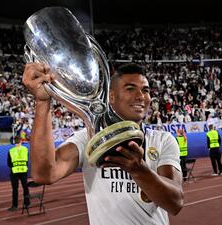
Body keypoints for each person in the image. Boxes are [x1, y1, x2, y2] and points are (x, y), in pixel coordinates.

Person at [22, 62, 184, 224]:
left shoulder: (163, 140)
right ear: (111, 97)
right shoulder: (90, 139)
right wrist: (42, 102)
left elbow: (175, 203)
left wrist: (139, 169)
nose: (141, 96)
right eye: (130, 88)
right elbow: (45, 174)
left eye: (145, 90)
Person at [7, 135, 30, 211]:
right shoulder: (25, 149)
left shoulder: (11, 151)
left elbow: (9, 163)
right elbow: (27, 160)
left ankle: (15, 205)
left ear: (14, 142)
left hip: (15, 172)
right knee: (25, 187)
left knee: (15, 189)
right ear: (21, 141)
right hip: (23, 171)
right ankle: (27, 203)